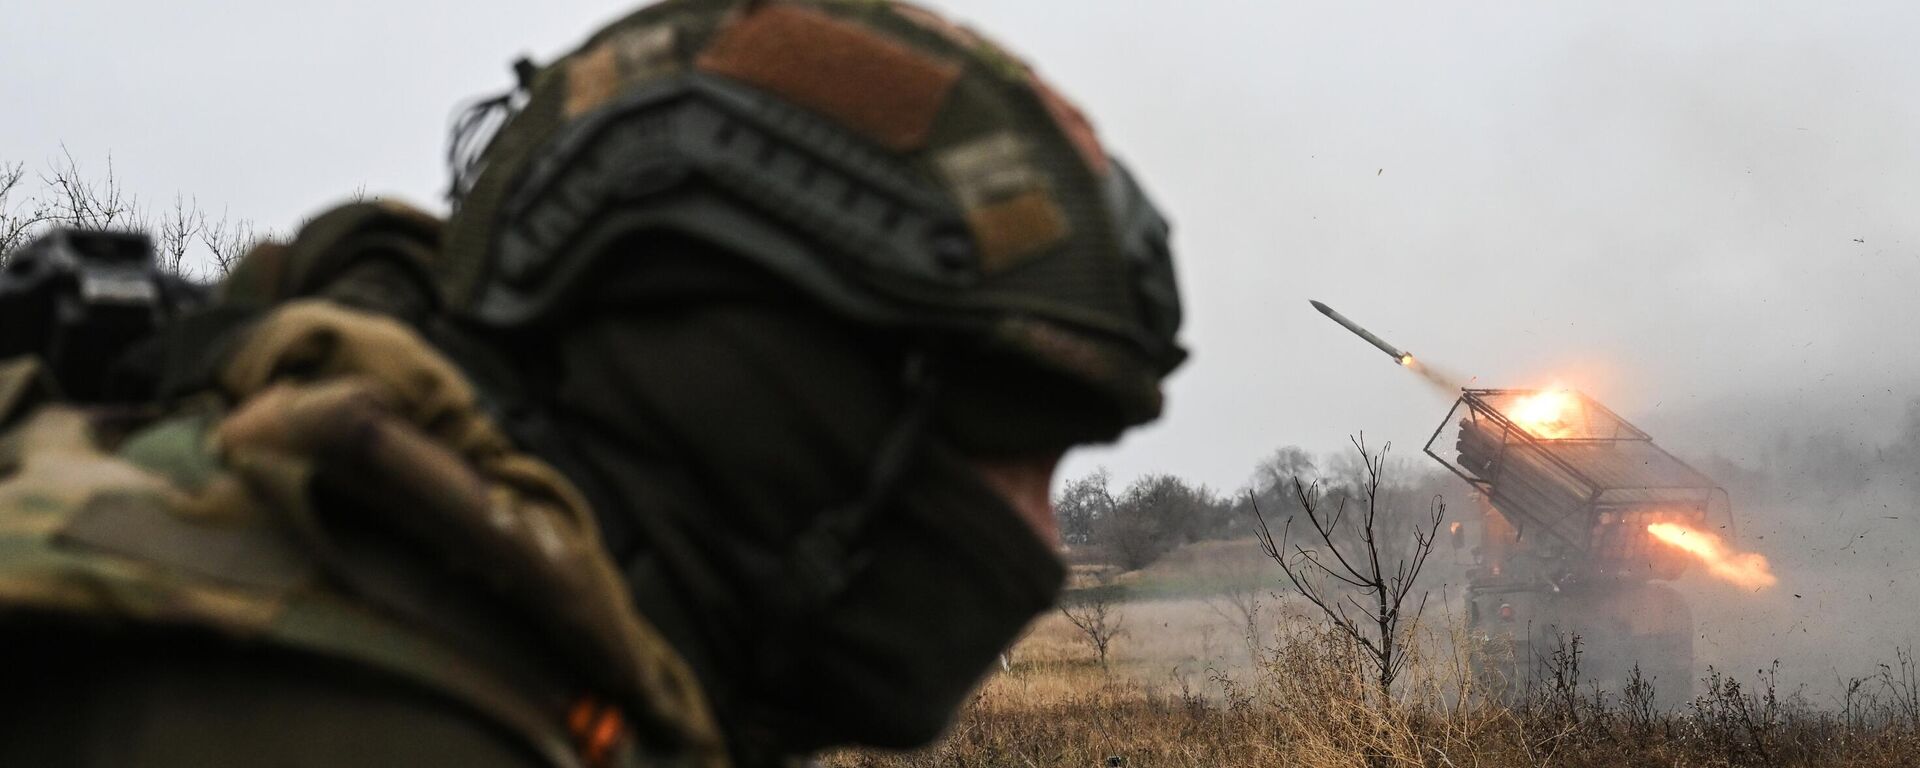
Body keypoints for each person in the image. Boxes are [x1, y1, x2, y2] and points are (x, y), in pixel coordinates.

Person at [0, 1, 1183, 766]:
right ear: (771, 397)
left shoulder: (531, 645)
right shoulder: (337, 712)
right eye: (1012, 453)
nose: (1037, 544)